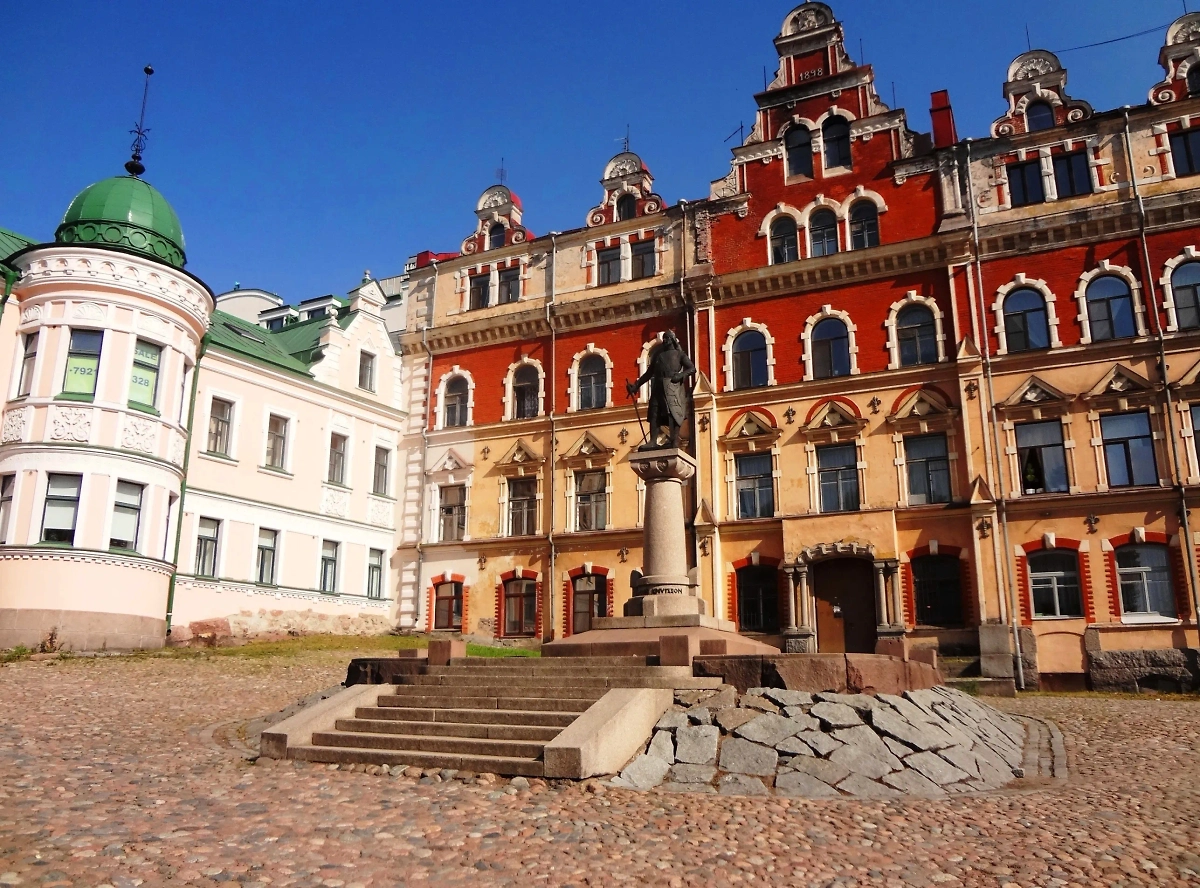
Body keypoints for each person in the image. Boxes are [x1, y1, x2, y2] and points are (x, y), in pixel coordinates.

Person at [626, 330, 695, 450]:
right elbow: (648, 374)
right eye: (664, 338)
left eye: (667, 338)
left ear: (672, 339)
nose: (665, 340)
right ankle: (653, 441)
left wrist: (680, 375)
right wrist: (636, 386)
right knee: (654, 413)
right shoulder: (658, 355)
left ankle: (674, 441)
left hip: (672, 387)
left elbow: (692, 368)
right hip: (658, 387)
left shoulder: (680, 354)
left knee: (673, 413)